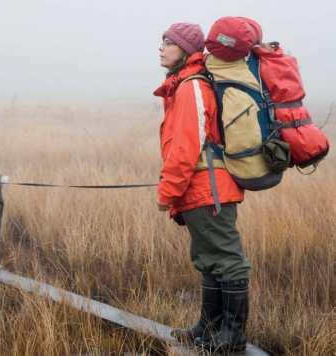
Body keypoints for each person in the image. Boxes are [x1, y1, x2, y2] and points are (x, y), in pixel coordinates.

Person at [153, 22, 251, 353]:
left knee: (227, 259)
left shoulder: (191, 87)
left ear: (185, 49)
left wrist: (167, 193)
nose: (161, 47)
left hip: (209, 189)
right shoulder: (183, 85)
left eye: (168, 42)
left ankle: (233, 337)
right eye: (162, 41)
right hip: (199, 190)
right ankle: (207, 329)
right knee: (207, 258)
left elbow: (185, 148)